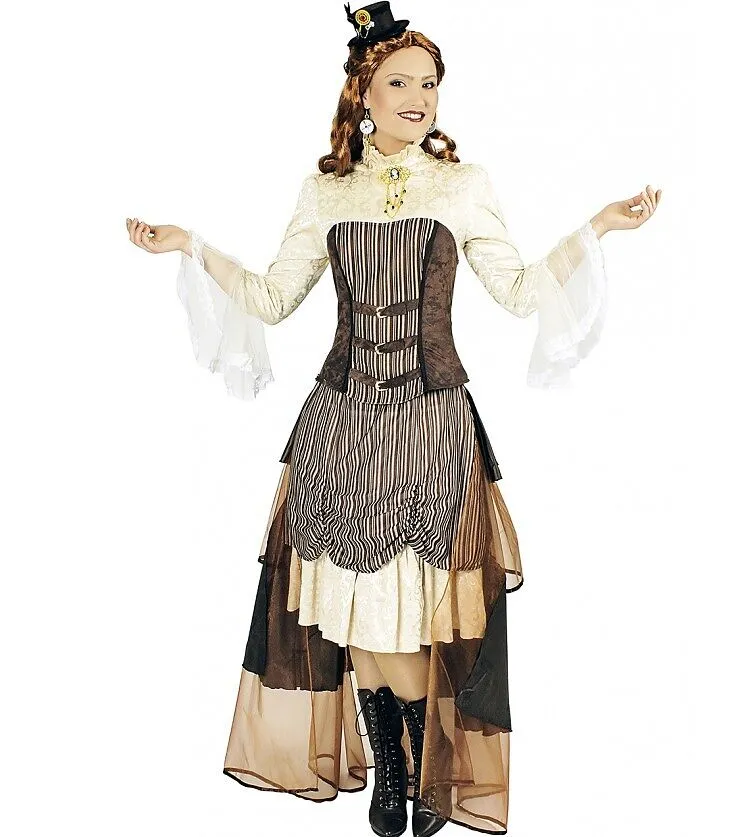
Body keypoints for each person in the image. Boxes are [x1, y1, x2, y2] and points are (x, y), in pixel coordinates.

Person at [125, 3, 661, 835]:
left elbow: (521, 291)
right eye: (401, 82)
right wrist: (189, 246)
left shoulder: (463, 185)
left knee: (410, 612)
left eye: (430, 84)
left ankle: (419, 760)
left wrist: (599, 227)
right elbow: (271, 296)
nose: (419, 97)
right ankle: (394, 767)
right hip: (341, 426)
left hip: (431, 424)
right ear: (363, 94)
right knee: (353, 608)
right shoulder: (326, 191)